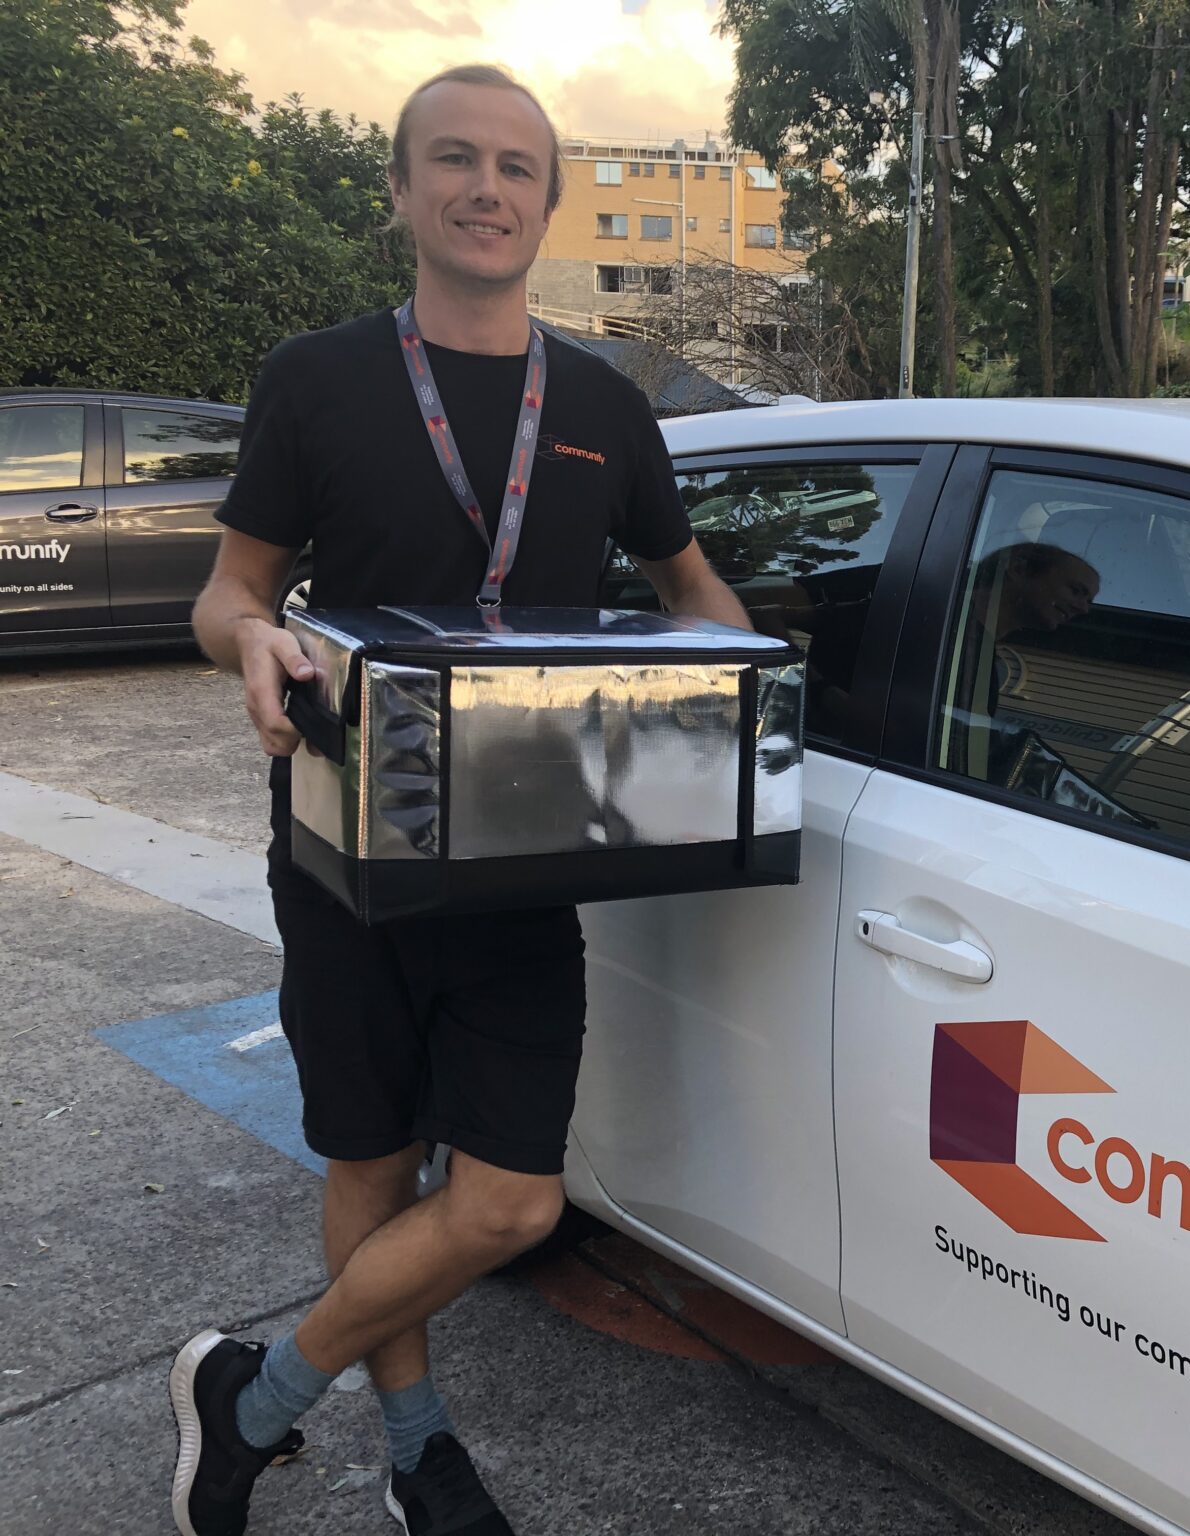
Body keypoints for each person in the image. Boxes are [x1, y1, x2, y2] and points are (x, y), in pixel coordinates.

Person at [175, 64, 748, 1536]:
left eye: (514, 167)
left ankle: (252, 1404)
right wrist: (253, 640)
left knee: (509, 1204)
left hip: (521, 861)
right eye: (455, 161)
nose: (486, 188)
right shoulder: (319, 377)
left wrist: (760, 711)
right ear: (402, 191)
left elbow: (693, 596)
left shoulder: (607, 404)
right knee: (370, 1158)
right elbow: (231, 588)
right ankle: (419, 1445)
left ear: (548, 204)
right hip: (343, 847)